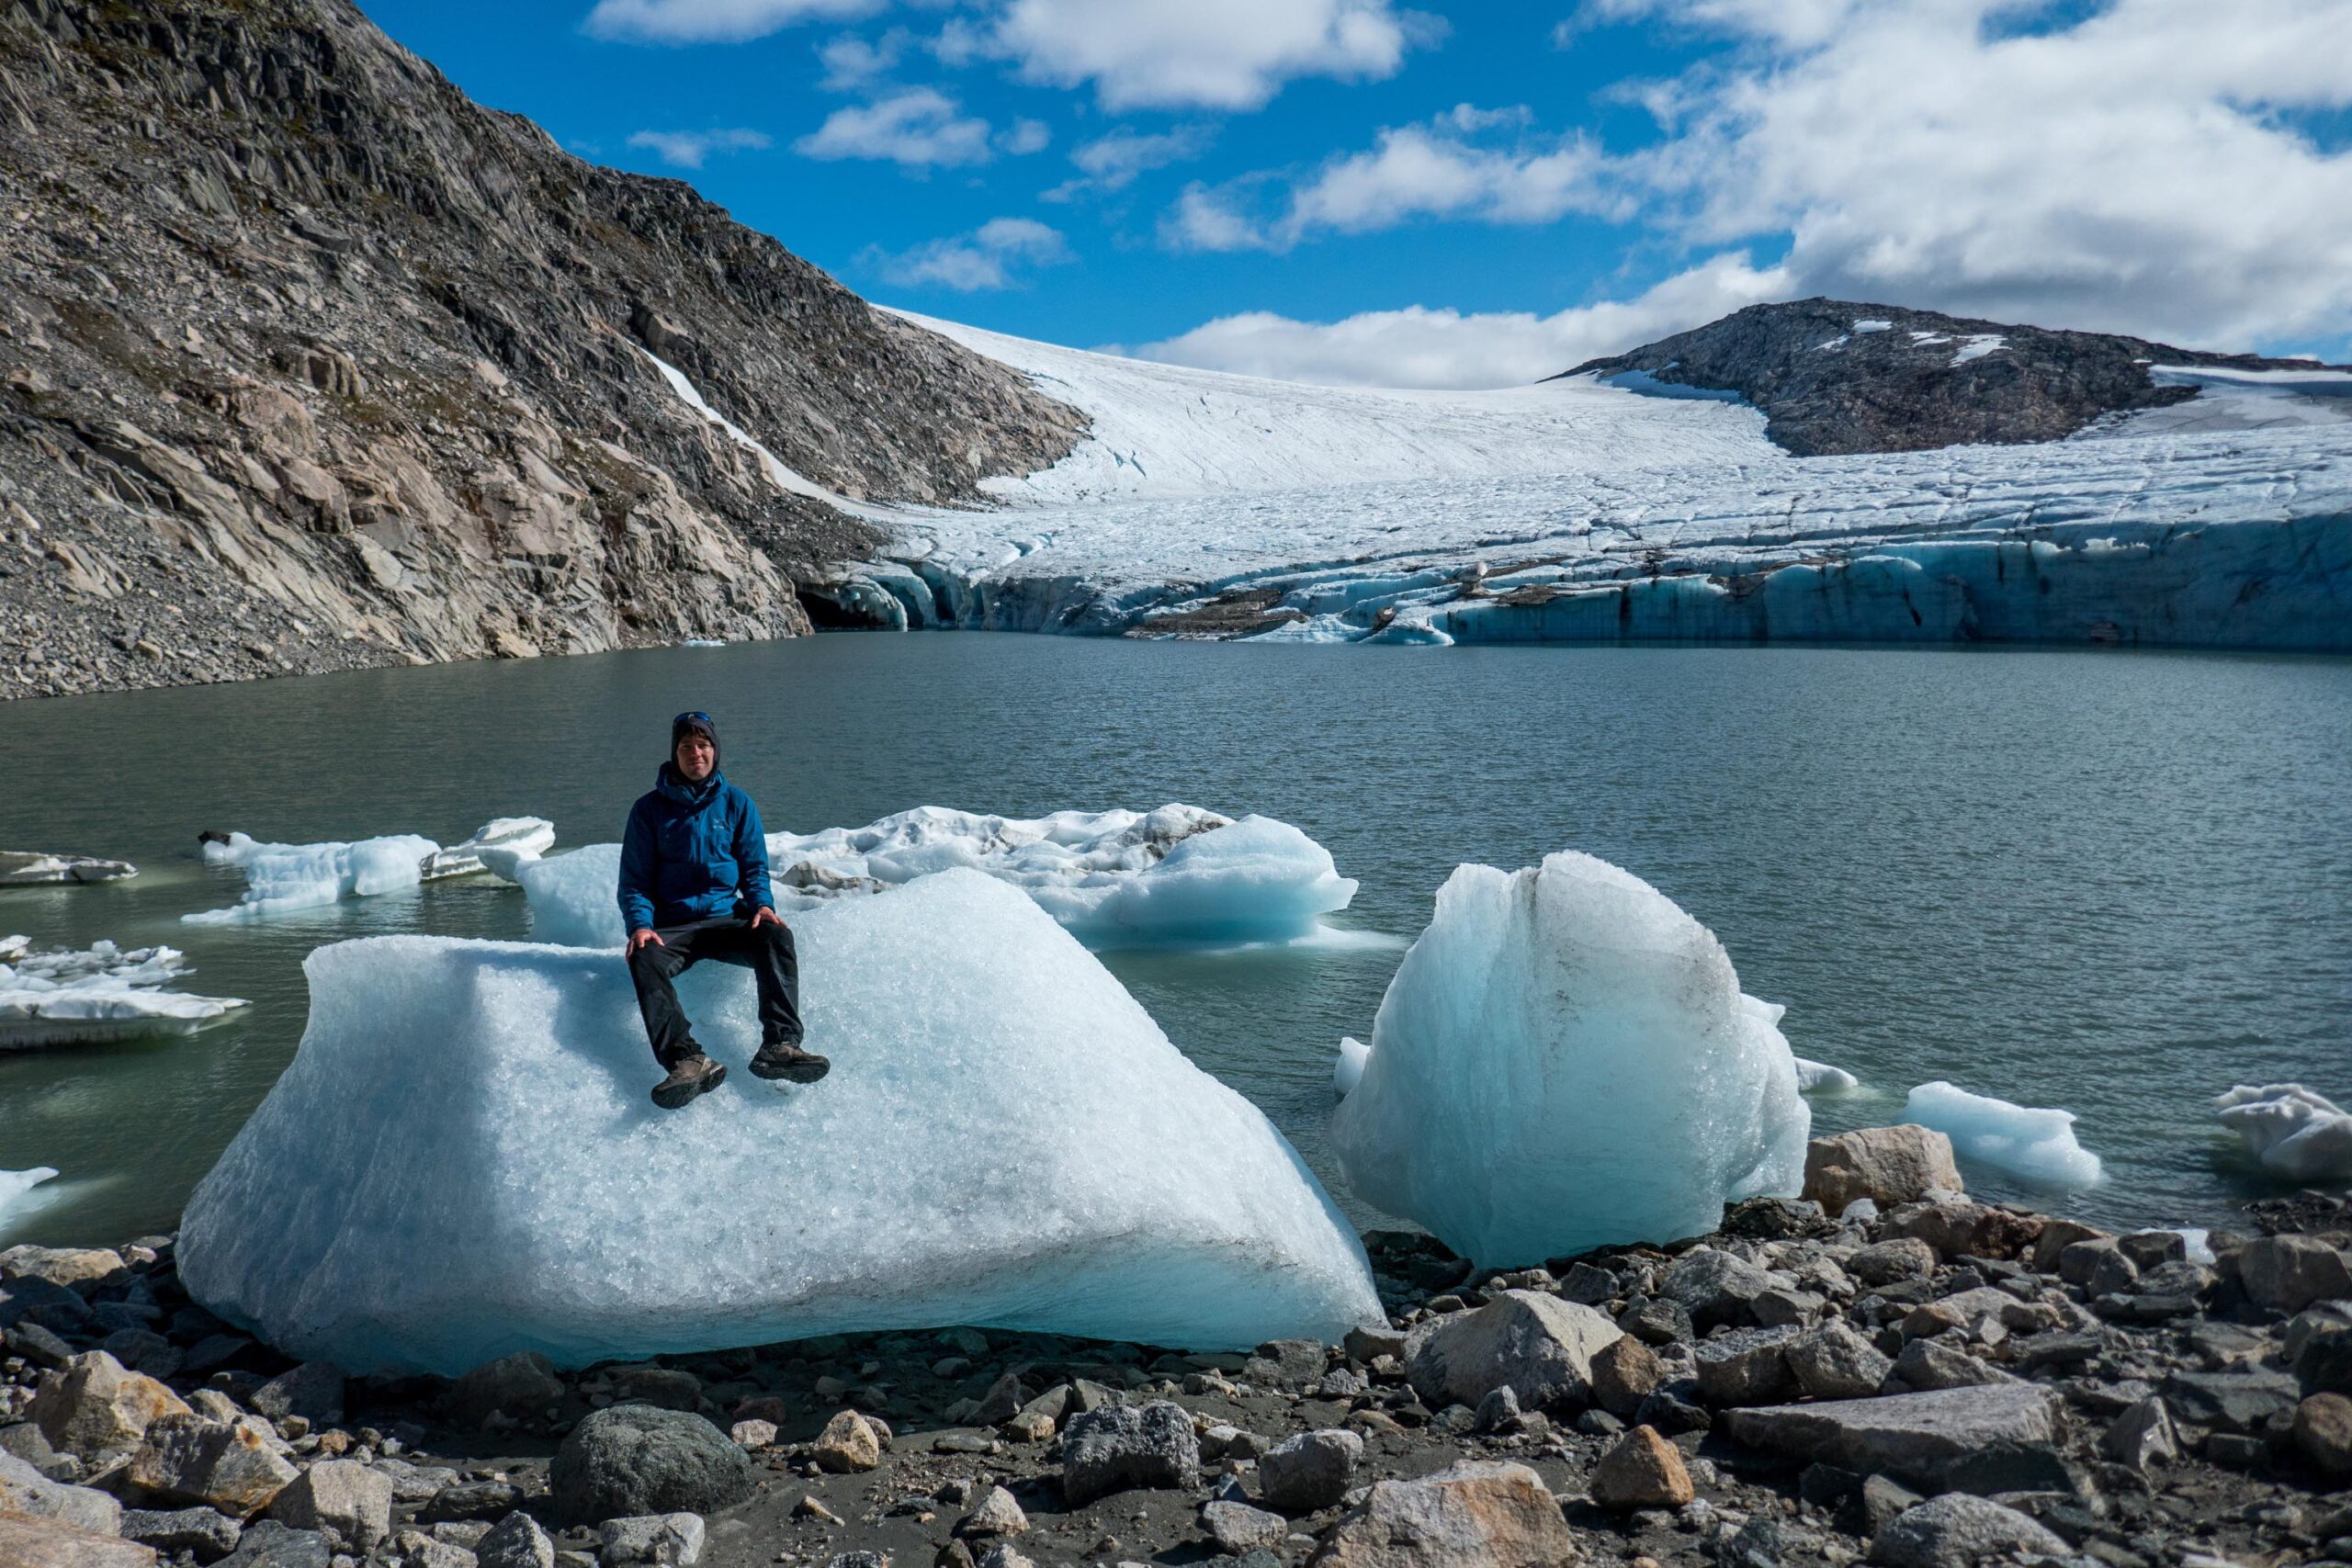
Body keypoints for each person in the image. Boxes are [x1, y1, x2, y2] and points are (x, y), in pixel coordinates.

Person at [620, 711, 829, 1109]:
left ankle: (780, 1046)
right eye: (686, 746)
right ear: (675, 753)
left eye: (703, 745)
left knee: (776, 935)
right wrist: (641, 925)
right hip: (672, 927)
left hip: (725, 919)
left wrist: (762, 905)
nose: (695, 753)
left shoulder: (737, 803)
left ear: (715, 751)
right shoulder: (648, 810)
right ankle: (686, 1059)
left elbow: (753, 868)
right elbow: (634, 881)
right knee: (642, 955)